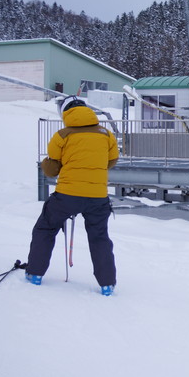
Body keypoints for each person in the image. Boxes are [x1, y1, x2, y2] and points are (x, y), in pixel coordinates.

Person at [26, 96, 119, 296]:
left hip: (66, 196)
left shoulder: (62, 135)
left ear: (66, 113)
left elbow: (52, 169)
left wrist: (46, 163)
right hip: (97, 197)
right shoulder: (106, 134)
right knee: (99, 237)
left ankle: (35, 273)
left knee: (45, 228)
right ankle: (107, 284)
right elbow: (111, 160)